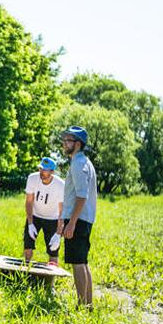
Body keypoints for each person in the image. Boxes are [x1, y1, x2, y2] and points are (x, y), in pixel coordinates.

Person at [60, 126, 98, 306]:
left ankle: (82, 305)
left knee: (77, 264)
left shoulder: (78, 164)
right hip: (82, 219)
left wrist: (71, 223)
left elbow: (81, 196)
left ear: (77, 144)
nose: (64, 143)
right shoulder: (83, 162)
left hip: (78, 220)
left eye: (68, 140)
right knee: (82, 262)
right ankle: (88, 305)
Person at [23, 157, 64, 265]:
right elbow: (29, 201)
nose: (42, 172)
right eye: (40, 169)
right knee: (28, 244)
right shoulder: (32, 178)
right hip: (35, 216)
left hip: (52, 219)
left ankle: (50, 279)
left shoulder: (60, 185)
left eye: (45, 170)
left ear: (52, 171)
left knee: (53, 250)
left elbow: (62, 211)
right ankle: (25, 270)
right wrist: (30, 223)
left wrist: (58, 234)